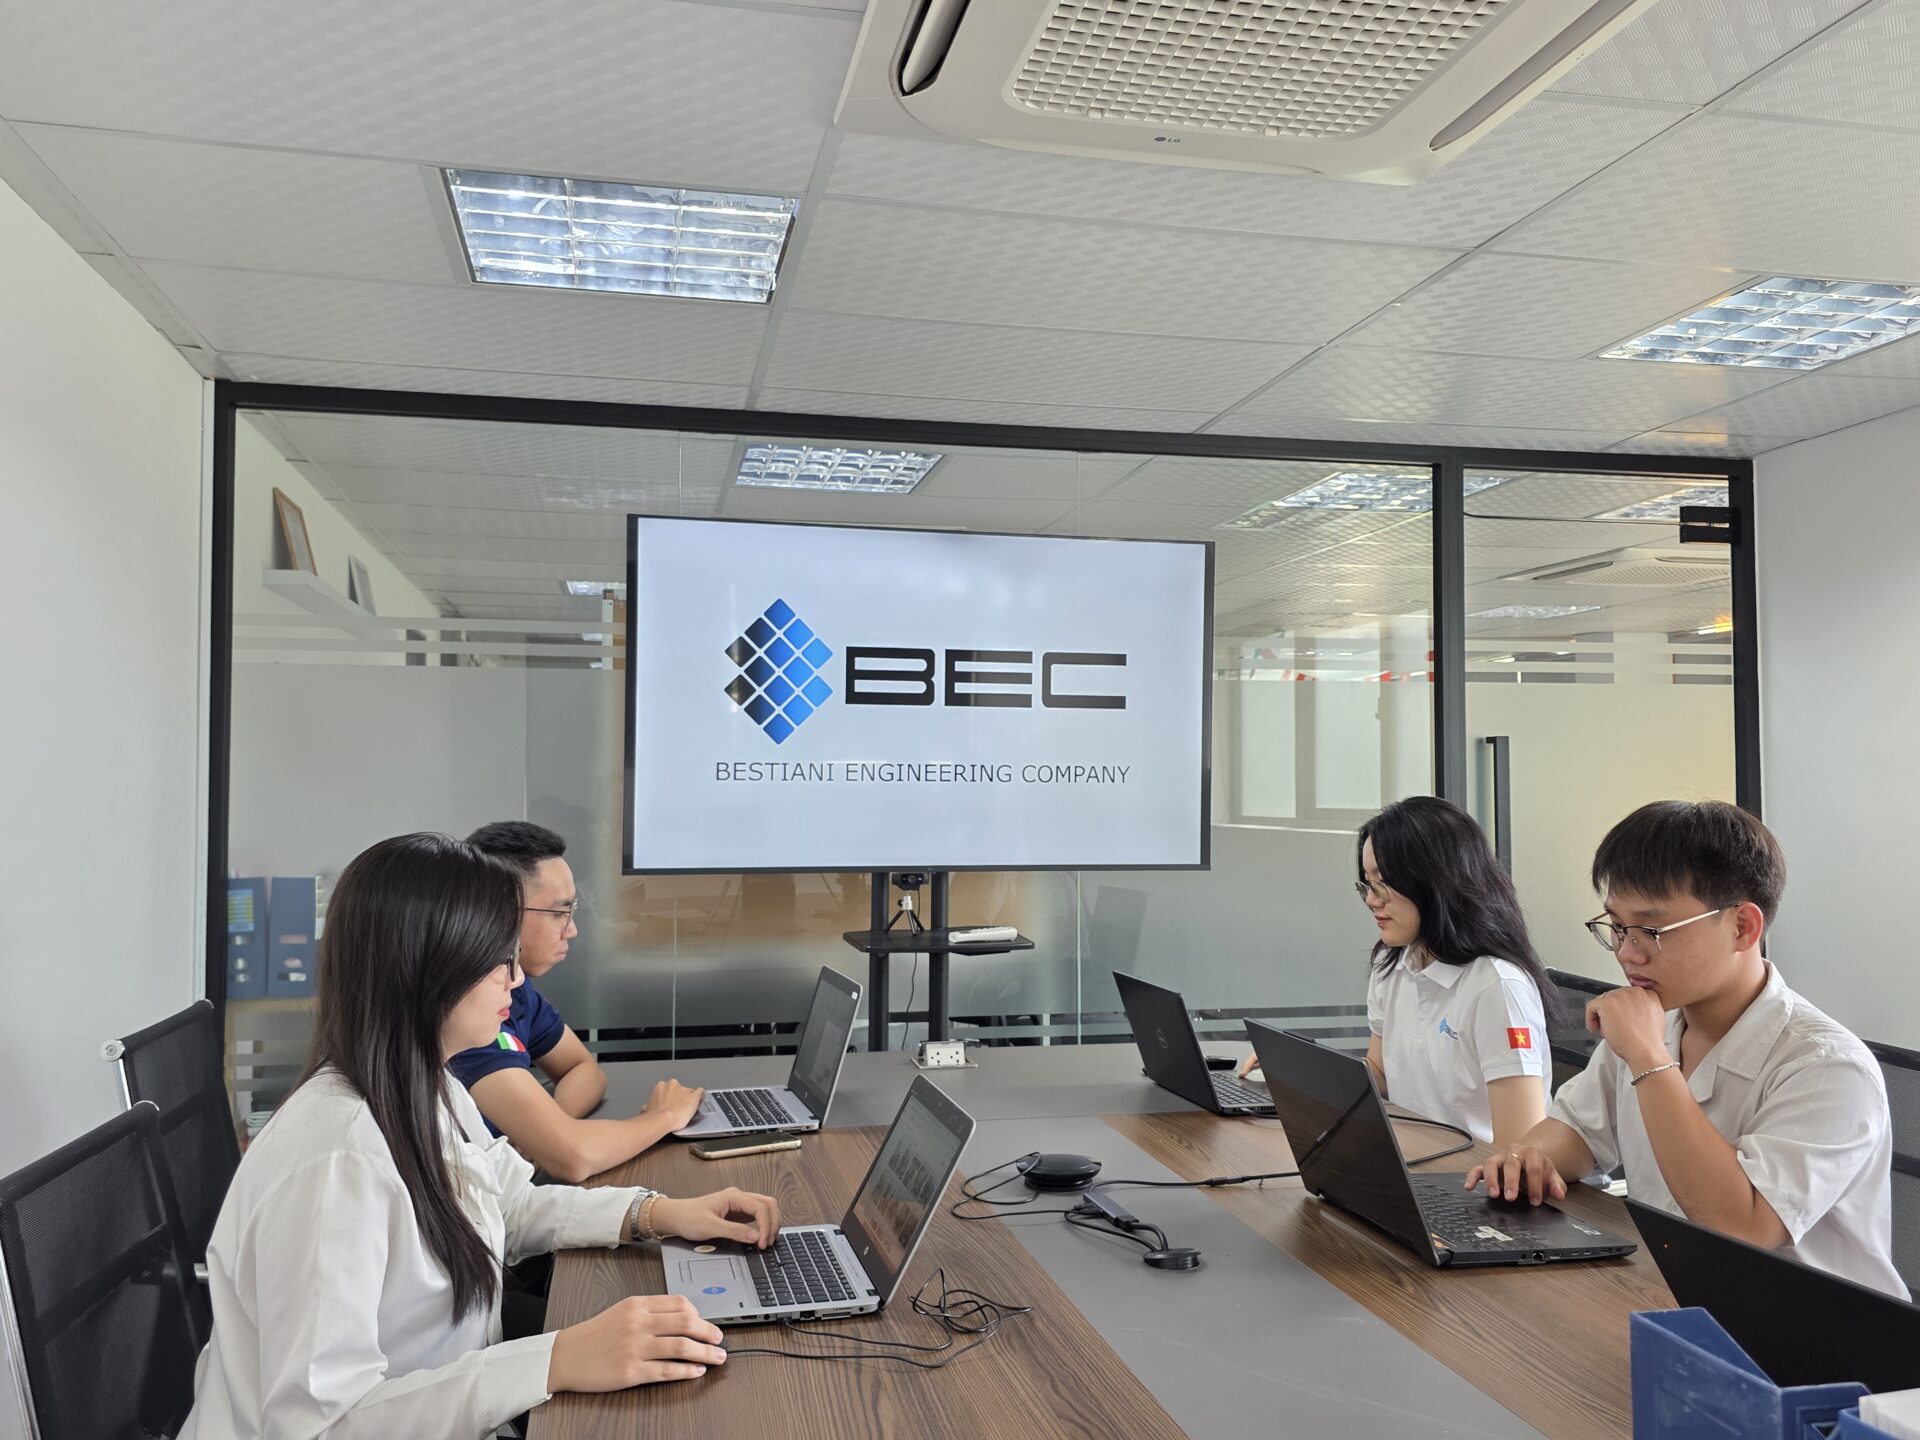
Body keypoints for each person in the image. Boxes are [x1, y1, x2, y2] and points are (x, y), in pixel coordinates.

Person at [180, 833, 781, 1439]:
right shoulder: (336, 1160)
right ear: (430, 971)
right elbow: (319, 1428)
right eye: (500, 962)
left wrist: (657, 1214)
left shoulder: (427, 1084)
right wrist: (554, 1360)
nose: (516, 982)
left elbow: (509, 1206)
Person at [1468, 800, 1906, 1298]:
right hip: (1675, 1292)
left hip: (1811, 1327)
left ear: (1742, 927)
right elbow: (1577, 1131)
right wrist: (1529, 1157)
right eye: (1617, 927)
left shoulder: (1828, 1067)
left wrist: (1649, 1059)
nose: (1627, 952)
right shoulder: (1659, 1021)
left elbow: (1743, 1226)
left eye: (1650, 931)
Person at [1239, 796, 1559, 1147]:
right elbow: (1380, 1073)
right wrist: (1301, 1074)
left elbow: (1518, 1149)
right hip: (1414, 1157)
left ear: (1437, 881)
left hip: (1472, 1172)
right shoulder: (1392, 962)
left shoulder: (1497, 987)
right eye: (1367, 883)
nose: (1371, 900)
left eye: (1383, 883)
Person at [449, 821, 703, 1183]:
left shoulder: (514, 988)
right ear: (497, 913)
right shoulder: (466, 1011)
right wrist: (665, 1117)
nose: (572, 929)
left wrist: (544, 1130)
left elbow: (584, 1069)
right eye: (558, 912)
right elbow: (574, 1157)